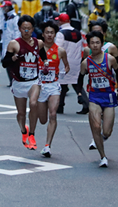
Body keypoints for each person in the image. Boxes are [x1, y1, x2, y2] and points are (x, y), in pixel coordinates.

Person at [2, 15, 42, 150]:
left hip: (33, 81)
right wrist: (13, 58)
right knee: (21, 113)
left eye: (29, 28)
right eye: (24, 28)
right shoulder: (14, 44)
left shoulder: (38, 43)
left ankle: (32, 133)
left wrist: (46, 64)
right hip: (19, 82)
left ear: (32, 29)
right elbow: (4, 63)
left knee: (33, 103)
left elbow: (43, 55)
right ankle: (24, 131)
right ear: (19, 29)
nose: (26, 31)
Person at [81, 31, 118, 168]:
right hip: (94, 97)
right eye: (92, 43)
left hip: (108, 96)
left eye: (98, 42)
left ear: (102, 44)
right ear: (89, 45)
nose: (95, 45)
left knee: (107, 131)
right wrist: (81, 95)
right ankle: (103, 156)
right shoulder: (86, 62)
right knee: (96, 126)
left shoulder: (110, 59)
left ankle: (100, 139)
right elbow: (80, 78)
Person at [37, 20, 69, 157]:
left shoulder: (60, 51)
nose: (50, 35)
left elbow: (67, 66)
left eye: (52, 33)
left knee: (53, 114)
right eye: (47, 32)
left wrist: (64, 72)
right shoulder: (37, 49)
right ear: (43, 34)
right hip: (39, 86)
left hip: (54, 85)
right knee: (43, 119)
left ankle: (47, 146)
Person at [55, 14, 88, 115]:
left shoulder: (61, 34)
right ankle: (85, 103)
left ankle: (60, 106)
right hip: (76, 62)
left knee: (62, 85)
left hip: (64, 63)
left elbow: (58, 49)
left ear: (60, 22)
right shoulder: (78, 33)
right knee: (76, 83)